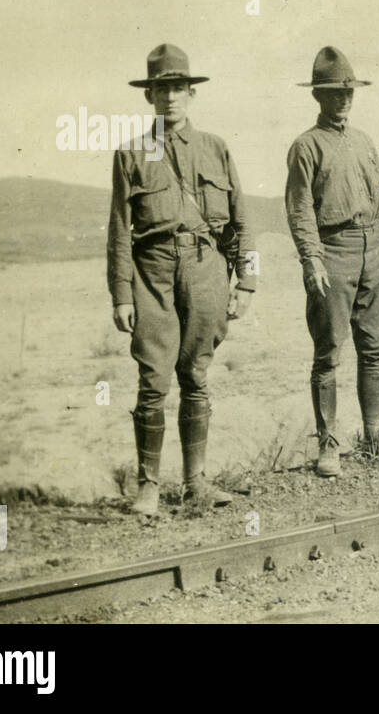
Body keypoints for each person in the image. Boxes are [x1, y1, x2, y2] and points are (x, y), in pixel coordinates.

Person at [107, 43, 254, 515]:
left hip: (206, 267)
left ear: (191, 94)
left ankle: (197, 483)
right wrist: (121, 294)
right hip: (152, 273)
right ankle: (148, 486)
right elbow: (117, 233)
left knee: (196, 374)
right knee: (153, 380)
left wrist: (247, 282)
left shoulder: (217, 147)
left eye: (178, 88)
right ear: (149, 96)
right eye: (160, 89)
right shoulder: (130, 154)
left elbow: (243, 222)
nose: (170, 98)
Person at [285, 46, 379, 476]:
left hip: (373, 248)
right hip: (333, 251)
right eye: (334, 93)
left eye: (348, 92)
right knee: (329, 354)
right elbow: (300, 208)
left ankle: (375, 437)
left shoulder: (363, 142)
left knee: (374, 351)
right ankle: (328, 446)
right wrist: (312, 260)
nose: (343, 99)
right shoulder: (305, 147)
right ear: (318, 97)